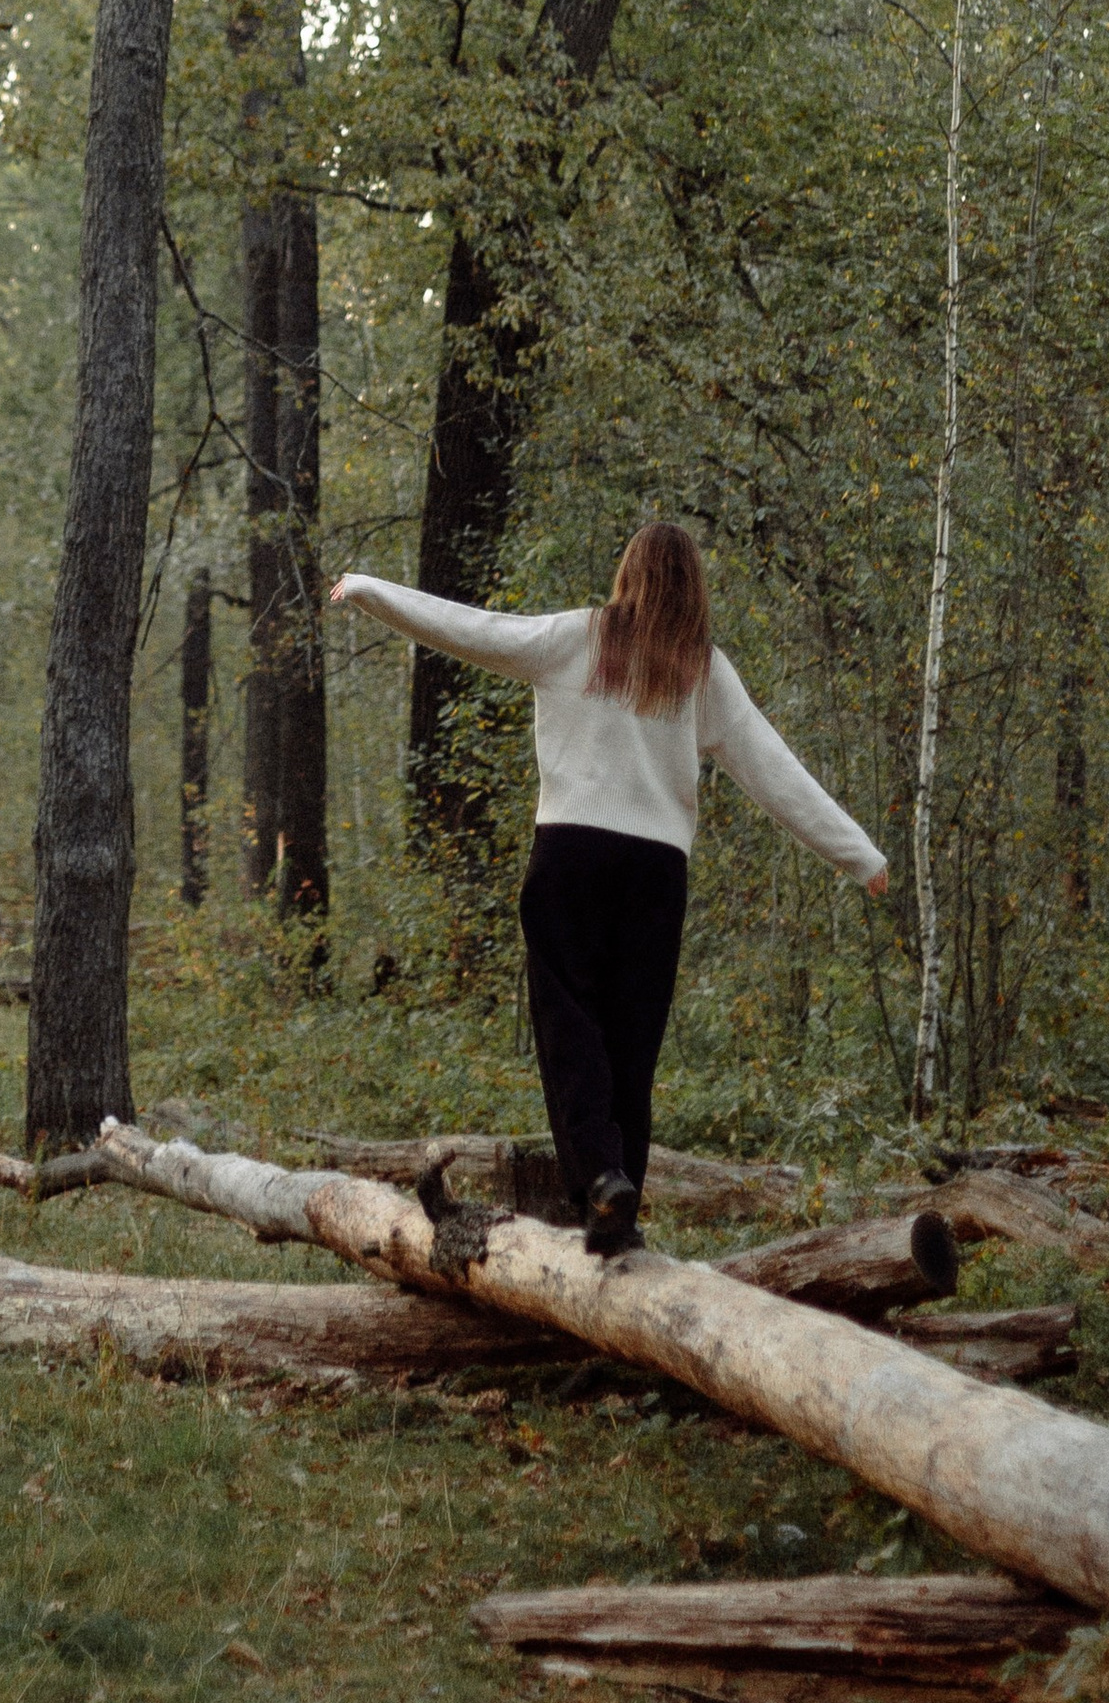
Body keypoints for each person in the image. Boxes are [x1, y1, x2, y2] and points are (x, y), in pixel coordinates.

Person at [331, 522, 888, 1254]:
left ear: (628, 574)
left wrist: (370, 591)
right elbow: (774, 771)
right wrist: (862, 856)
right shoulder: (702, 671)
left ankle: (600, 1183)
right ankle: (616, 1207)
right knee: (632, 1045)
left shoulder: (578, 639)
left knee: (570, 1029)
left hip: (571, 857)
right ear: (694, 587)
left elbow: (470, 629)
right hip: (655, 874)